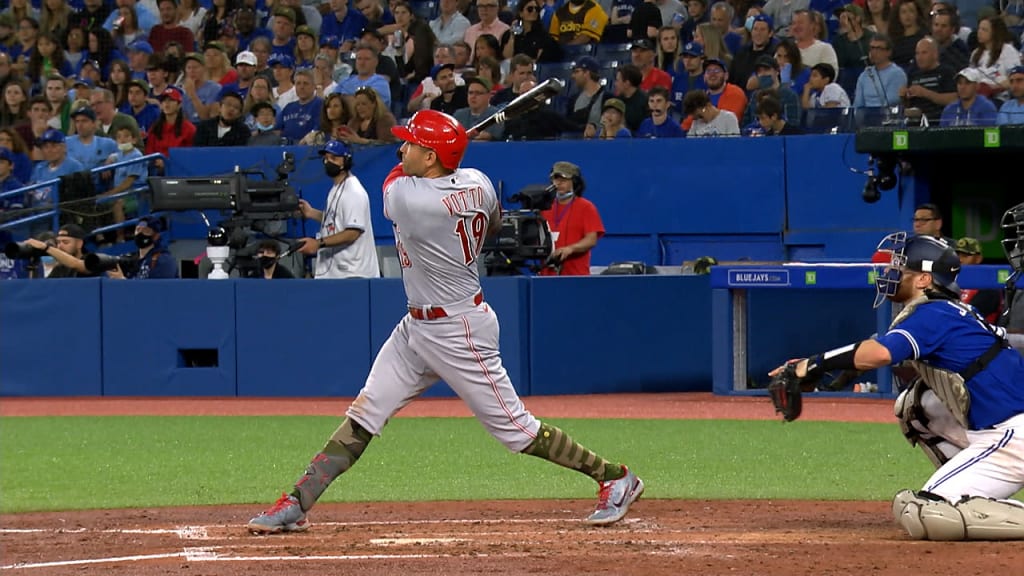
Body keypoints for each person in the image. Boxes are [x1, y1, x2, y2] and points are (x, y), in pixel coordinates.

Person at [247, 110, 643, 533]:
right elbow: (489, 224)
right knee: (366, 412)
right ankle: (297, 501)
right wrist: (440, 155)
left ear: (432, 157)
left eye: (412, 143)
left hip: (459, 330)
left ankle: (615, 477)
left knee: (517, 431)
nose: (402, 148)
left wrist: (432, 160)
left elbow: (395, 177)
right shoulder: (479, 182)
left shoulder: (410, 199)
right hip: (417, 327)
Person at [768, 232, 1024, 541]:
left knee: (928, 513)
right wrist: (831, 367)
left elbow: (880, 353)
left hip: (1011, 436)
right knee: (915, 406)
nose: (889, 274)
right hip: (1001, 427)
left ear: (923, 280)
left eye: (900, 269)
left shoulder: (934, 313)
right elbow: (888, 353)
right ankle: (967, 488)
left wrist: (811, 365)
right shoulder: (946, 311)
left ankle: (955, 496)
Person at [294, 139, 380, 279]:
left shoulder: (353, 192)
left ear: (345, 161)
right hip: (339, 273)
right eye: (326, 158)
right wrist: (311, 213)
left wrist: (318, 243)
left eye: (334, 158)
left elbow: (353, 232)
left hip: (353, 274)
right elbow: (337, 220)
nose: (328, 162)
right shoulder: (337, 187)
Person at [539, 161, 605, 276]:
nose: (558, 183)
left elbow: (591, 239)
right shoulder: (544, 208)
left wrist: (570, 249)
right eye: (555, 179)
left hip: (576, 275)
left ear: (574, 182)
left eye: (563, 180)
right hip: (547, 276)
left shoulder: (586, 207)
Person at [106, 217, 178, 279]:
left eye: (145, 231)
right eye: (138, 230)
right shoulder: (132, 259)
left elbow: (157, 290)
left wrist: (123, 281)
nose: (140, 234)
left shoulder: (163, 260)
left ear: (156, 236)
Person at [954, 237, 1002, 323]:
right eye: (957, 255)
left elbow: (969, 316)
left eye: (965, 256)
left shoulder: (988, 287)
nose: (960, 260)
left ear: (978, 259)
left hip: (977, 333)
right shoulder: (950, 282)